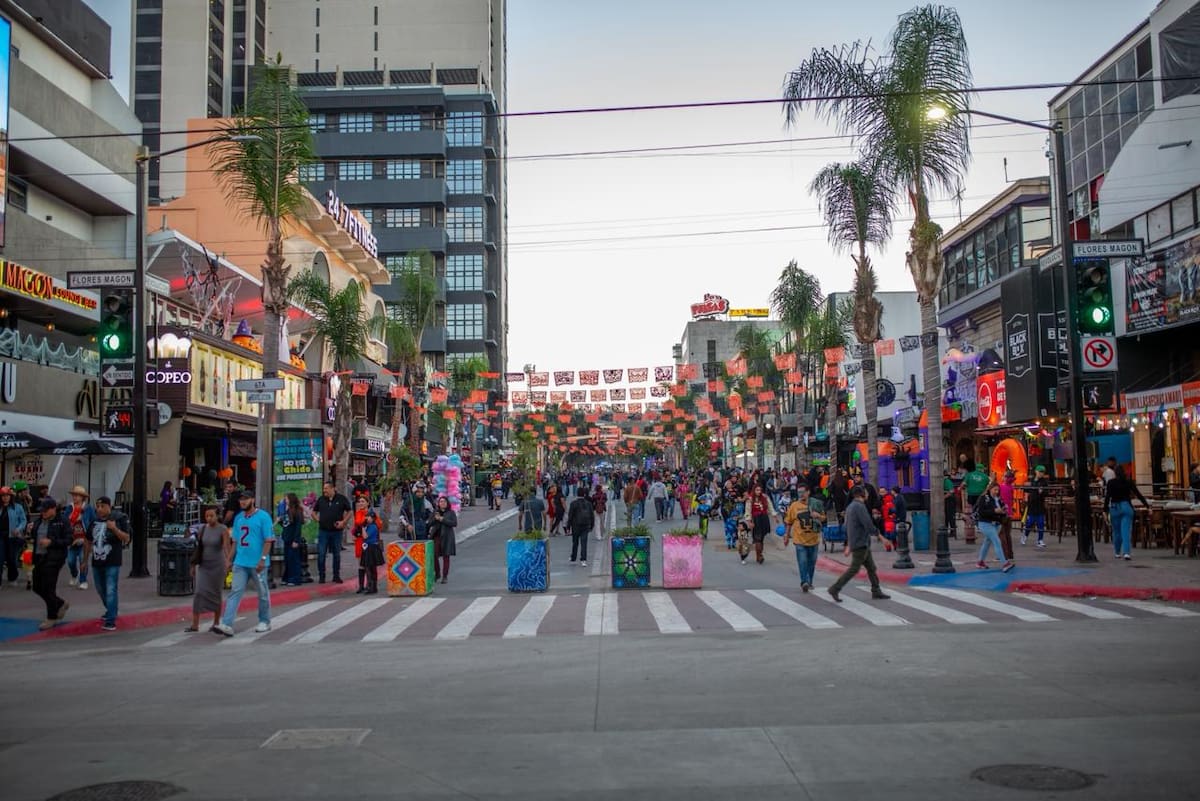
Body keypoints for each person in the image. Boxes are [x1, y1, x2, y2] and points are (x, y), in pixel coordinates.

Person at [214, 492, 275, 636]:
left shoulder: (263, 517)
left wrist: (263, 559)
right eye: (241, 500)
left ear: (252, 500)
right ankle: (227, 623)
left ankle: (265, 621)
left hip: (257, 563)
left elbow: (268, 540)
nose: (242, 502)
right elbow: (235, 541)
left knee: (262, 593)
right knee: (235, 592)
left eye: (245, 499)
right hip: (241, 562)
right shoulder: (239, 518)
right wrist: (229, 559)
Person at [826, 486, 890, 602]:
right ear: (862, 494)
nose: (867, 494)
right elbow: (868, 524)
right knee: (854, 569)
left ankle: (876, 590)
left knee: (871, 568)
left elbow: (847, 527)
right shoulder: (859, 507)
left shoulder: (850, 507)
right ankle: (835, 588)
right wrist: (881, 537)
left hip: (860, 541)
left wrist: (849, 544)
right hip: (860, 543)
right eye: (865, 492)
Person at [84, 496, 130, 632]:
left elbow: (126, 538)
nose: (99, 509)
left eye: (102, 506)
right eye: (97, 506)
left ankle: (111, 619)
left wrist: (114, 529)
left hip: (112, 560)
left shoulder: (118, 518)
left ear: (109, 506)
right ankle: (111, 609)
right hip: (97, 561)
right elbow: (87, 540)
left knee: (111, 589)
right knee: (100, 588)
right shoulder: (94, 521)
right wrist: (84, 560)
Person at [28, 498, 72, 629]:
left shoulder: (62, 521)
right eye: (42, 511)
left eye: (46, 511)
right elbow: (34, 536)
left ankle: (51, 617)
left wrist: (51, 543)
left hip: (54, 558)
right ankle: (59, 603)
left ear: (54, 509)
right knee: (37, 586)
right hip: (39, 557)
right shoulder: (39, 521)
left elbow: (69, 539)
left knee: (48, 588)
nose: (43, 513)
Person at [189, 506, 230, 633]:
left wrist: (228, 562)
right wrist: (193, 565)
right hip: (204, 565)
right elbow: (199, 548)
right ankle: (195, 624)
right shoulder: (202, 529)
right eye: (207, 516)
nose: (209, 518)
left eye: (211, 515)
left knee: (215, 592)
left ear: (217, 516)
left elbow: (226, 546)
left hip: (218, 564)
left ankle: (216, 622)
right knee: (199, 592)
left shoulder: (222, 529)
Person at [1104, 464, 1149, 560]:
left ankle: (1117, 552)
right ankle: (1126, 553)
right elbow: (1138, 494)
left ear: (1115, 473)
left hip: (1115, 507)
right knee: (1126, 531)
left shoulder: (1111, 483)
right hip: (1126, 506)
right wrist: (1147, 506)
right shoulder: (1128, 482)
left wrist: (1105, 510)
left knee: (1116, 531)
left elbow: (1108, 497)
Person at [311, 481, 352, 583]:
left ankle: (336, 575)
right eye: (324, 488)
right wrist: (317, 519)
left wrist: (344, 522)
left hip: (336, 532)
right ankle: (322, 576)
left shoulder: (341, 499)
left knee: (336, 554)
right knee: (321, 553)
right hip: (323, 531)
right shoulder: (321, 500)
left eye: (326, 488)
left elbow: (349, 511)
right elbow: (313, 512)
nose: (324, 490)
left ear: (333, 488)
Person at [784, 487, 820, 592]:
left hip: (814, 539)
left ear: (808, 492)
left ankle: (810, 581)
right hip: (800, 540)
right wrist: (786, 535)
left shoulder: (815, 504)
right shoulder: (794, 506)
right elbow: (789, 522)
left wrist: (818, 516)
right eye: (799, 492)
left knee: (812, 563)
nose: (801, 494)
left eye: (803, 492)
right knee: (802, 561)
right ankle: (804, 581)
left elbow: (824, 518)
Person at [975, 482, 1013, 572]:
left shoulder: (997, 499)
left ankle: (980, 562)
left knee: (987, 542)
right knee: (997, 541)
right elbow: (982, 512)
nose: (996, 492)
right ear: (990, 489)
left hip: (996, 523)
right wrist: (995, 511)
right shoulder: (984, 498)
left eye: (997, 490)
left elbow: (1002, 507)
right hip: (985, 523)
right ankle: (1005, 563)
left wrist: (1004, 510)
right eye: (994, 489)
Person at [65, 485, 96, 591]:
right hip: (72, 540)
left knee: (83, 560)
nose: (75, 497)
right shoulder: (69, 508)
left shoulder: (88, 508)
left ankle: (83, 580)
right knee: (70, 561)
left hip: (84, 540)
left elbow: (93, 522)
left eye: (77, 495)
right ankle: (74, 575)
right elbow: (64, 522)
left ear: (83, 497)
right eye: (74, 495)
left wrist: (89, 538)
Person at [353, 496, 384, 595]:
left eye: (363, 501)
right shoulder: (357, 513)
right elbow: (355, 526)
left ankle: (370, 585)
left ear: (367, 503)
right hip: (360, 540)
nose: (361, 503)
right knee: (361, 563)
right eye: (359, 502)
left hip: (369, 540)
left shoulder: (371, 514)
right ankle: (361, 585)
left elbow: (379, 525)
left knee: (370, 563)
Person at [0, 486, 28, 588]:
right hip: (1, 537)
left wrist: (18, 529)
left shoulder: (17, 507)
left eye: (7, 495)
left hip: (13, 536)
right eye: (3, 496)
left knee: (12, 558)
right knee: (0, 558)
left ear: (10, 496)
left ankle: (12, 578)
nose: (5, 497)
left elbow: (23, 520)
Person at [428, 496, 458, 584]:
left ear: (447, 503)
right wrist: (435, 519)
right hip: (436, 536)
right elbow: (429, 523)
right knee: (434, 556)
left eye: (444, 502)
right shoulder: (435, 512)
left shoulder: (451, 512)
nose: (442, 503)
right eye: (441, 502)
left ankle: (445, 576)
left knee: (446, 556)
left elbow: (454, 523)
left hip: (447, 537)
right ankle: (437, 573)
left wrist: (442, 519)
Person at [278, 493, 304, 586]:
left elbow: (298, 527)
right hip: (287, 537)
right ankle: (287, 577)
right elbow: (285, 524)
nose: (285, 501)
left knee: (294, 559)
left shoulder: (297, 511)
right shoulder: (287, 510)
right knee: (287, 559)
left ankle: (295, 578)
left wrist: (296, 540)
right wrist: (280, 520)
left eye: (287, 499)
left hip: (293, 538)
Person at [565, 487, 595, 567]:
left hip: (576, 525)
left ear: (577, 494)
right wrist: (592, 525)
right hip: (586, 525)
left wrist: (568, 527)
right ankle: (583, 560)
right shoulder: (588, 503)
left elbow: (570, 516)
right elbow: (592, 515)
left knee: (575, 542)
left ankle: (573, 557)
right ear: (584, 494)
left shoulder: (573, 503)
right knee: (584, 542)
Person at [747, 484, 775, 565]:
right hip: (756, 519)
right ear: (754, 490)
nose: (759, 492)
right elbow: (748, 511)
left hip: (764, 519)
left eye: (760, 490)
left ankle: (758, 555)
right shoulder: (750, 499)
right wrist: (749, 521)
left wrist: (774, 515)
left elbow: (770, 506)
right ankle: (760, 556)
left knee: (761, 538)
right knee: (757, 538)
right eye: (757, 490)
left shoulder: (765, 497)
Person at [1022, 466, 1049, 548]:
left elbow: (1047, 492)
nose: (1041, 473)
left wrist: (1042, 492)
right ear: (1036, 471)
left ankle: (1040, 540)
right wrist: (1026, 498)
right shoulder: (1031, 480)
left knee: (1040, 523)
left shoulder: (1044, 482)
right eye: (1040, 471)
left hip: (1040, 504)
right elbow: (1026, 490)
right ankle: (1025, 536)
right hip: (1031, 505)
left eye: (1042, 472)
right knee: (1030, 523)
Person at [998, 470, 1017, 562]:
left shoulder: (1001, 487)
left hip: (1002, 513)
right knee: (1008, 535)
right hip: (1009, 513)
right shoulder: (1011, 487)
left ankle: (1004, 555)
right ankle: (1010, 554)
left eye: (1004, 476)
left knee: (1002, 535)